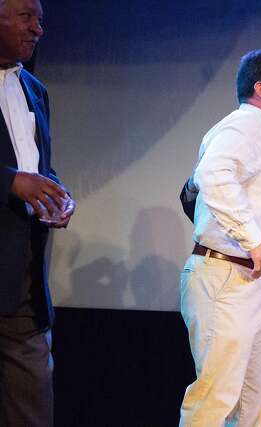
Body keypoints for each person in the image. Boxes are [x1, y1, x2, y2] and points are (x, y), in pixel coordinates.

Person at [178, 49, 261, 427]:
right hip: (227, 277)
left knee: (252, 404)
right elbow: (213, 174)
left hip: (255, 285)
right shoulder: (244, 126)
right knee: (215, 399)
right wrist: (253, 239)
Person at [0, 0, 76, 425]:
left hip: (23, 282)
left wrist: (55, 193)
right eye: (27, 17)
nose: (38, 30)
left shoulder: (34, 88)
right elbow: (16, 175)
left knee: (31, 405)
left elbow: (37, 166)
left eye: (41, 20)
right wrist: (11, 180)